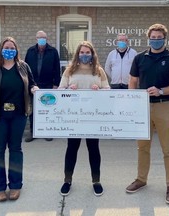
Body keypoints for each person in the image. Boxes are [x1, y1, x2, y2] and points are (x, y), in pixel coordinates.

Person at [126, 23, 169, 205]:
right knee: (142, 147)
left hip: (164, 106)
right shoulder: (139, 58)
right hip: (143, 107)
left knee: (168, 148)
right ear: (148, 38)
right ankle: (141, 179)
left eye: (158, 37)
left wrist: (161, 91)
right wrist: (133, 99)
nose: (155, 40)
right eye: (152, 38)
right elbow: (133, 80)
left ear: (164, 38)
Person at [0, 37, 38, 202]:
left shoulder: (23, 67)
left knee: (16, 150)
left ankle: (16, 185)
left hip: (18, 116)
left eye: (12, 47)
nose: (9, 50)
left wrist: (35, 88)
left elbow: (32, 83)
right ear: (0, 49)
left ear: (16, 50)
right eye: (6, 47)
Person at [58, 41, 110, 197]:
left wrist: (99, 89)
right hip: (74, 118)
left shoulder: (98, 71)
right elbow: (60, 90)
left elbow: (108, 90)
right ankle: (67, 180)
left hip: (93, 117)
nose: (85, 55)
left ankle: (96, 181)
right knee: (71, 149)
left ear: (92, 54)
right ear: (78, 54)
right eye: (82, 52)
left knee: (93, 149)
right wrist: (68, 89)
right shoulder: (69, 70)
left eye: (88, 52)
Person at [24, 30, 61, 142]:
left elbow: (57, 68)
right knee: (33, 110)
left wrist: (56, 84)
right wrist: (28, 84)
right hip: (34, 85)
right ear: (36, 39)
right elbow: (25, 68)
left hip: (48, 85)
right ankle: (33, 132)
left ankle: (47, 132)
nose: (42, 39)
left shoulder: (53, 51)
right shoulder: (30, 51)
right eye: (40, 37)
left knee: (48, 109)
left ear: (46, 39)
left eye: (44, 37)